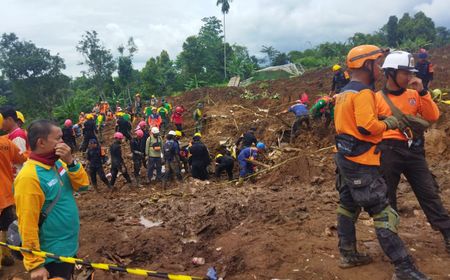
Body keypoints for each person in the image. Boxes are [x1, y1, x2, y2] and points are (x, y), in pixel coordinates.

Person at [333, 45, 428, 279]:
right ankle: (403, 267)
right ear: (367, 65)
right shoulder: (364, 92)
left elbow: (353, 122)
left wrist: (381, 117)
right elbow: (367, 126)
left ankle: (348, 253)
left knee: (347, 205)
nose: (378, 68)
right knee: (383, 212)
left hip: (345, 158)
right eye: (376, 64)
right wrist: (389, 124)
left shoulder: (346, 91)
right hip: (362, 162)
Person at [376, 51, 450, 254]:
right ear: (390, 73)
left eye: (411, 73)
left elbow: (433, 116)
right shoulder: (376, 99)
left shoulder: (414, 95)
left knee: (429, 193)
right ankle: (391, 240)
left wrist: (423, 91)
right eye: (405, 73)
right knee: (387, 196)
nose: (409, 77)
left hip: (414, 151)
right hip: (388, 152)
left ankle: (447, 232)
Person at [14, 119, 89, 280]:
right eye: (58, 138)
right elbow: (27, 223)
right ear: (41, 142)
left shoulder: (58, 163)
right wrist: (35, 264)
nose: (63, 142)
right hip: (50, 256)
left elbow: (83, 186)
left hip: (68, 247)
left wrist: (71, 162)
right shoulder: (29, 177)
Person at [0, 113, 27, 270]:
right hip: (4, 194)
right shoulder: (6, 143)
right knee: (6, 226)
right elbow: (21, 158)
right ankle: (6, 255)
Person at [0, 107, 30, 176]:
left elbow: (22, 159)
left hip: (17, 176)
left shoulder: (17, 136)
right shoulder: (12, 135)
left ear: (9, 119)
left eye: (1, 120)